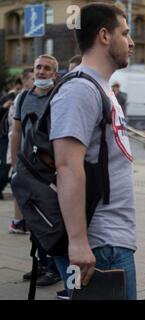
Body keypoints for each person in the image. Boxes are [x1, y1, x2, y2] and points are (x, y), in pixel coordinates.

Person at [50, 3, 137, 300]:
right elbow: (66, 166)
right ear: (104, 36)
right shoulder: (80, 90)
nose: (131, 42)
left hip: (111, 239)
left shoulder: (101, 89)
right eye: (124, 34)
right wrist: (78, 242)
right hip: (99, 243)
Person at [10, 55, 62, 287]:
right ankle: (41, 264)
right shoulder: (23, 99)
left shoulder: (59, 98)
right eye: (38, 67)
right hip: (26, 169)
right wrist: (14, 166)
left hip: (49, 172)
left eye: (47, 68)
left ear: (54, 74)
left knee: (51, 221)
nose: (41, 72)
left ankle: (55, 268)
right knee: (33, 221)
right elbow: (17, 132)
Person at [7, 68, 34, 234]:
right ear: (24, 81)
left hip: (26, 150)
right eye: (32, 78)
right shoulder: (22, 98)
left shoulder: (30, 97)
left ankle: (23, 221)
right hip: (20, 150)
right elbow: (16, 129)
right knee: (19, 185)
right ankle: (18, 222)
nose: (35, 81)